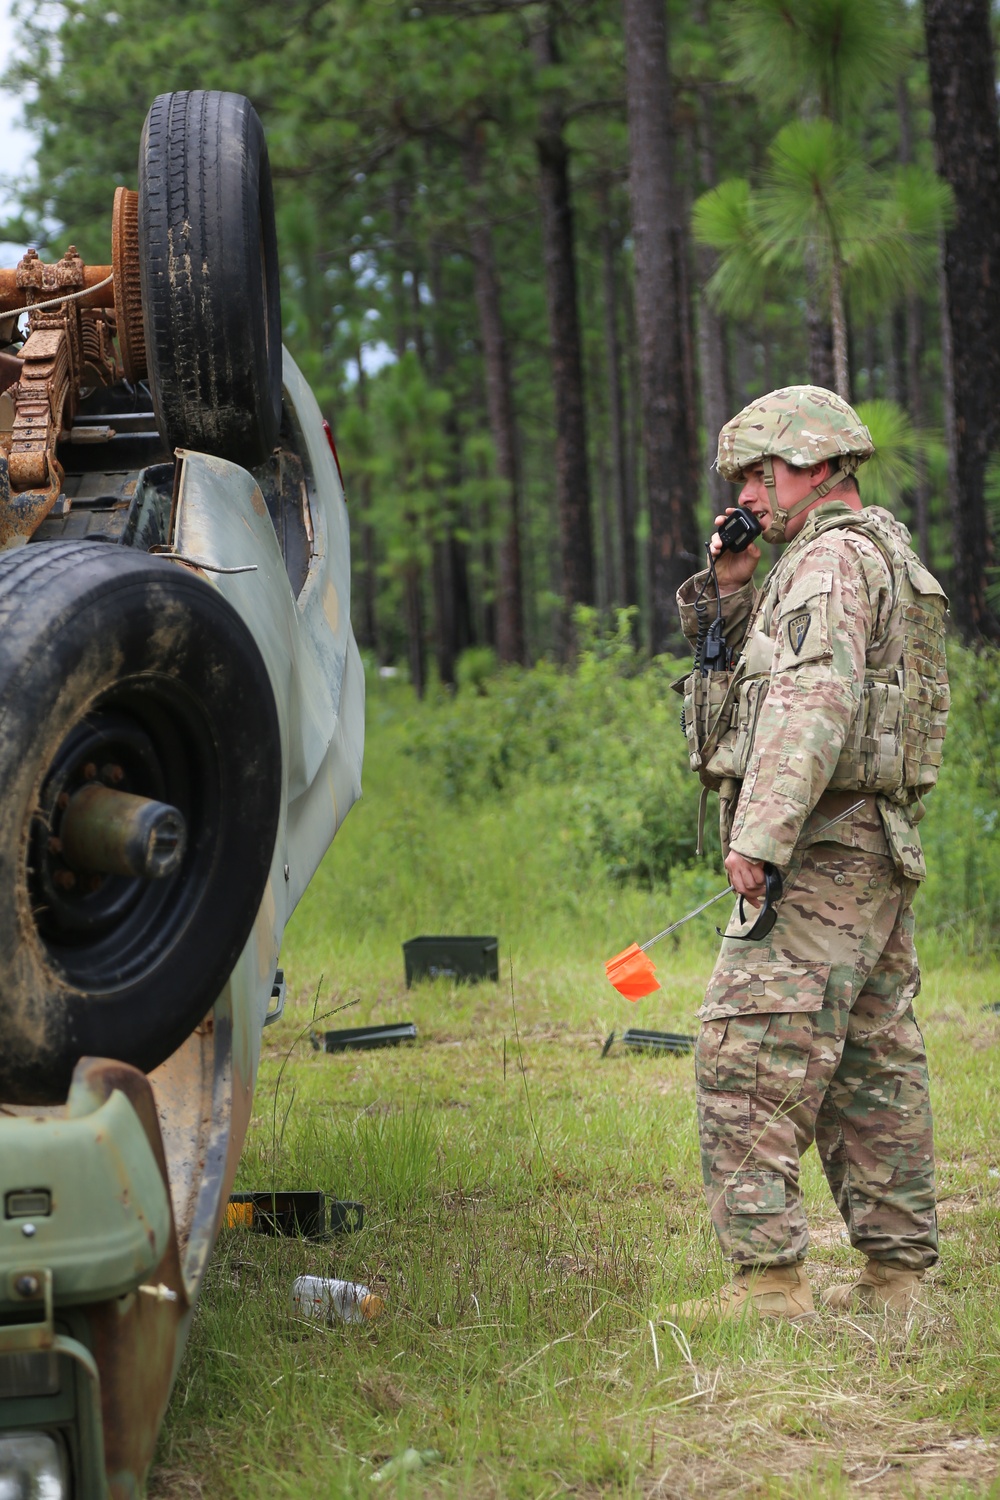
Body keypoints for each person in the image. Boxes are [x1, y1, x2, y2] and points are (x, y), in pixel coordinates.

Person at [670, 385, 949, 1323]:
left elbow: (810, 702)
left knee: (746, 1049)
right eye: (741, 475)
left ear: (818, 464)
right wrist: (734, 586)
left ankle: (770, 1286)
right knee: (871, 1058)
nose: (748, 491)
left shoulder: (829, 564)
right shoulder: (873, 554)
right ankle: (897, 1281)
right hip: (872, 845)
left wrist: (760, 835)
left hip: (823, 846)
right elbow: (751, 677)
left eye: (761, 471)